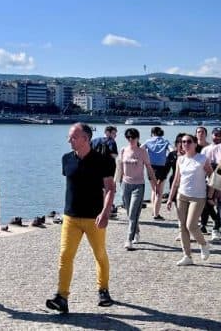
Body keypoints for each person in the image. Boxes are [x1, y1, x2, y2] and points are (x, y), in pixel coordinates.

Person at [45, 123, 116, 314]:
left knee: (100, 254)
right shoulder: (66, 159)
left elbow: (110, 188)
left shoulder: (103, 161)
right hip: (71, 217)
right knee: (65, 256)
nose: (69, 140)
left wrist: (105, 212)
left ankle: (103, 291)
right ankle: (62, 297)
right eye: (69, 137)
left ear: (86, 139)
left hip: (95, 217)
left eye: (73, 137)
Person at [166, 133, 212, 266]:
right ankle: (187, 256)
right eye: (183, 142)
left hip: (198, 196)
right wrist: (170, 198)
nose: (185, 144)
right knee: (182, 227)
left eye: (188, 141)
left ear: (195, 144)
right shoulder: (180, 159)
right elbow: (176, 180)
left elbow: (211, 176)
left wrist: (211, 194)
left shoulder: (202, 159)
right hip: (182, 195)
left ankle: (203, 244)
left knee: (191, 225)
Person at [118, 128, 155, 250]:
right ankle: (137, 231)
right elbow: (119, 168)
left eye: (133, 137)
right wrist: (115, 184)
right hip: (125, 184)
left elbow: (149, 168)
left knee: (133, 213)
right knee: (129, 213)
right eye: (128, 137)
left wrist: (154, 184)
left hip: (138, 185)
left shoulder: (142, 152)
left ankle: (129, 239)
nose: (130, 139)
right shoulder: (123, 150)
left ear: (138, 138)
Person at [143, 127, 171, 220]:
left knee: (154, 190)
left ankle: (153, 211)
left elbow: (140, 149)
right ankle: (156, 214)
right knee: (159, 192)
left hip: (150, 167)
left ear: (152, 133)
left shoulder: (148, 141)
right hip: (161, 168)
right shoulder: (165, 141)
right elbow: (172, 150)